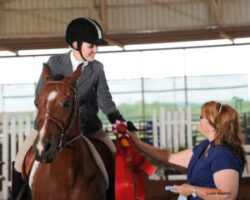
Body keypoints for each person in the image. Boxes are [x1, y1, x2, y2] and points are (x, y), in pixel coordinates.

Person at [11, 17, 137, 200]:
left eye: (96, 46)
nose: (95, 50)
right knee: (19, 162)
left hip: (89, 129)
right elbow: (40, 96)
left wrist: (121, 122)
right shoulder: (54, 63)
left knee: (114, 159)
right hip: (50, 126)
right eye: (91, 46)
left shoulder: (97, 69)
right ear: (76, 44)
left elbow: (105, 102)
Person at [128, 101, 246, 200]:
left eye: (202, 116)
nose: (199, 118)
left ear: (212, 124)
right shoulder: (205, 146)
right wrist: (138, 143)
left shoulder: (224, 154)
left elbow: (227, 194)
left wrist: (192, 190)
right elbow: (170, 158)